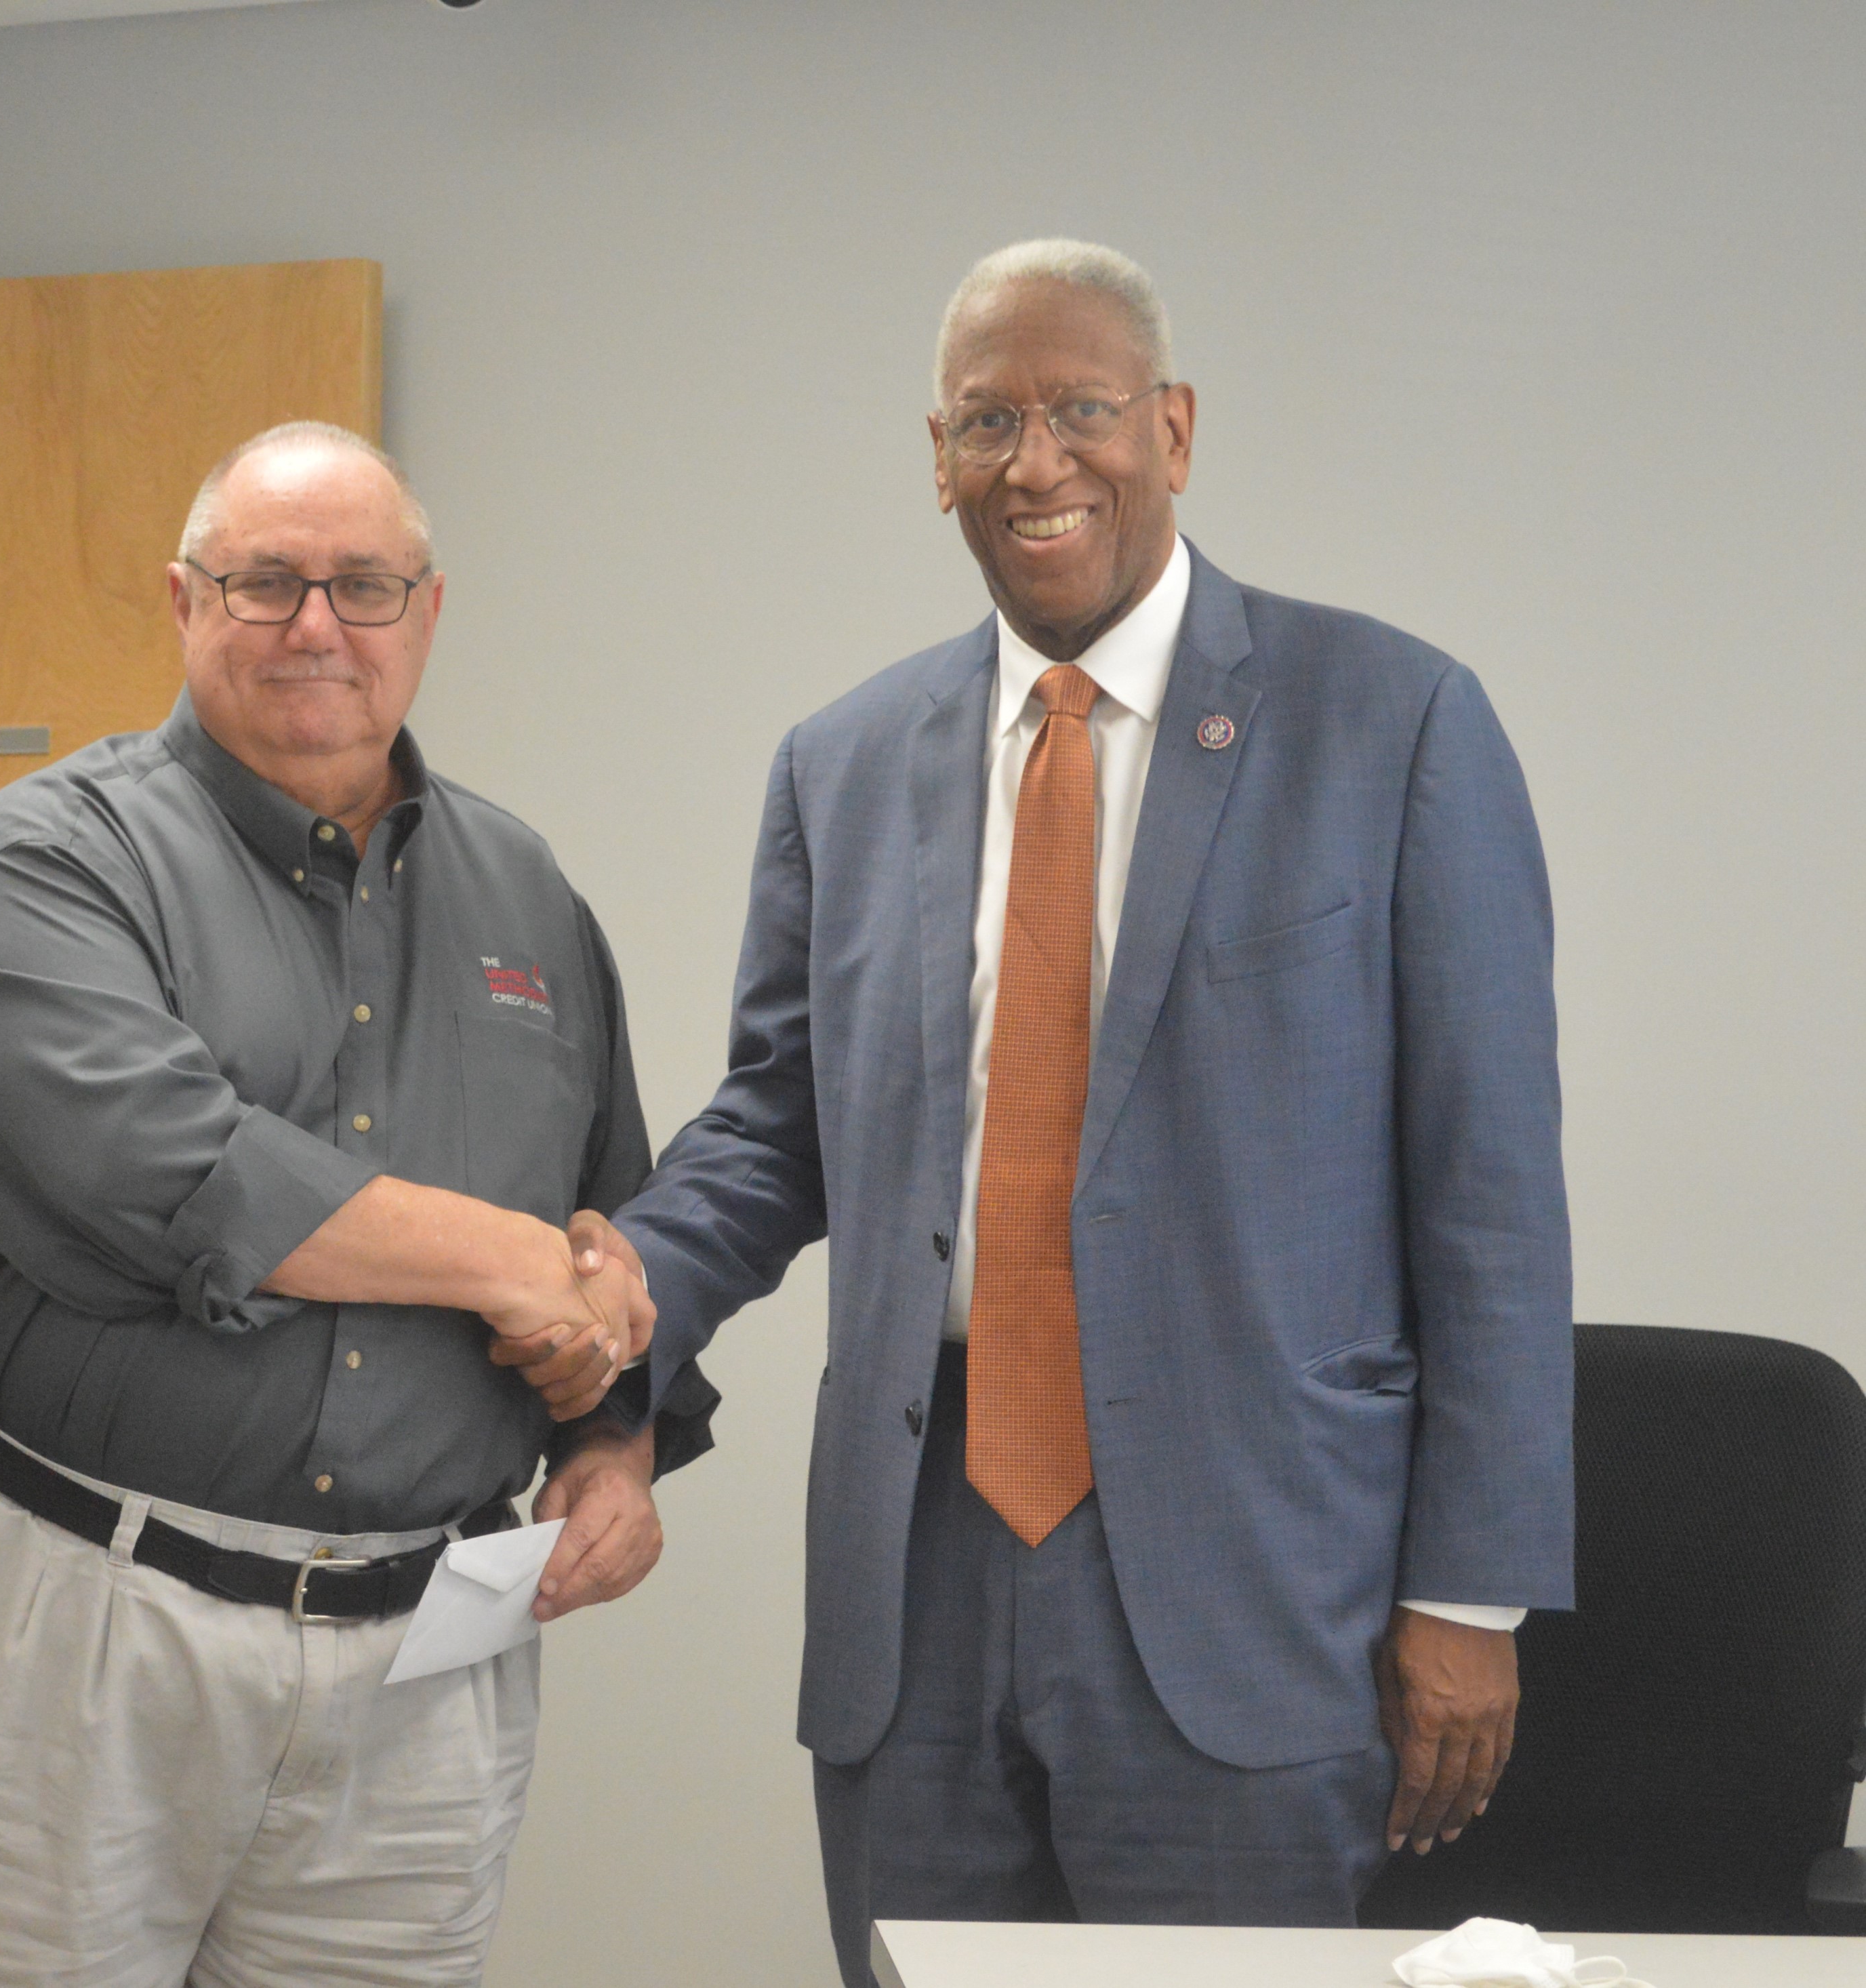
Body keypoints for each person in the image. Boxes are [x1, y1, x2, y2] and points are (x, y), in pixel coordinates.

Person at [605, 241, 1573, 1968]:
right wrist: (617, 1297)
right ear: (936, 457)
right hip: (918, 1574)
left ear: (1175, 428)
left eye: (1078, 410)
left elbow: (1485, 1190)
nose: (1034, 461)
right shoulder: (841, 763)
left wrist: (1468, 1593)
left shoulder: (1393, 720)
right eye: (988, 421)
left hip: (1249, 1579)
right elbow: (772, 1127)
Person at [0, 422, 714, 1987]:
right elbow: (164, 1168)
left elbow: (605, 1230)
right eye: (267, 583)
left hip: (420, 1663)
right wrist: (499, 1262)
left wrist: (615, 1442)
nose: (318, 624)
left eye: (364, 587)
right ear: (183, 604)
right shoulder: (58, 857)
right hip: (64, 1614)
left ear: (427, 616)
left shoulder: (529, 899)